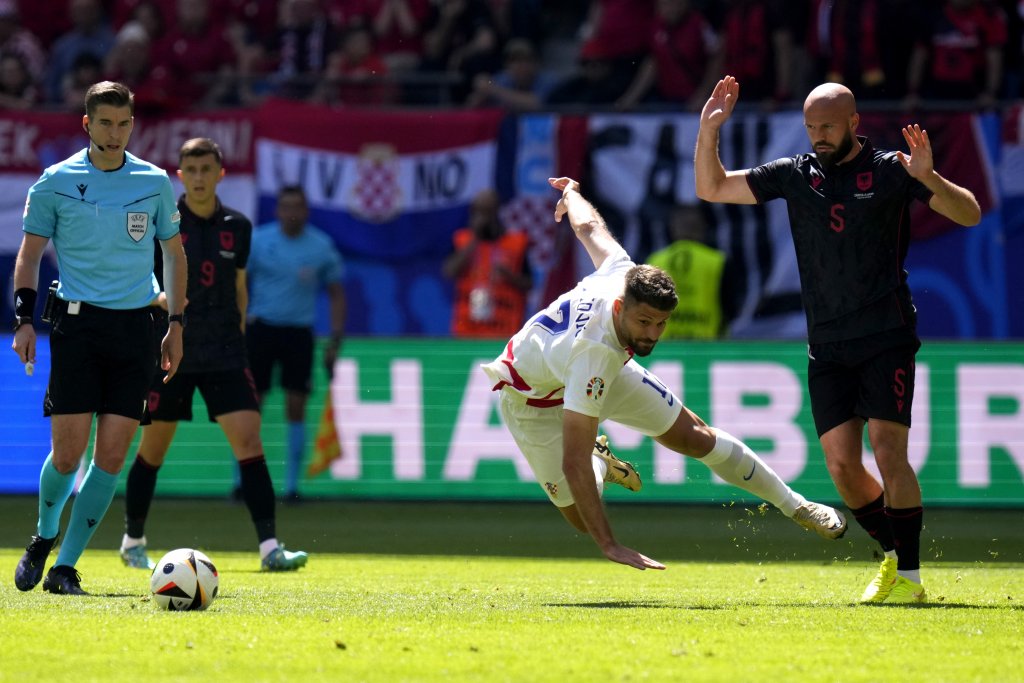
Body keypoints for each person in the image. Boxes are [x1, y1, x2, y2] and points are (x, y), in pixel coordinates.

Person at [694, 75, 982, 602]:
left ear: (854, 122)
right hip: (827, 344)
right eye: (810, 127)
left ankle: (911, 579)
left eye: (827, 126)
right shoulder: (794, 174)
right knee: (843, 468)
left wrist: (930, 178)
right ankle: (894, 555)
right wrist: (709, 130)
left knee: (888, 451)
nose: (818, 136)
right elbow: (711, 188)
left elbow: (969, 213)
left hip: (886, 334)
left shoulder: (892, 169)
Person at [480, 176, 848, 572]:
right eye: (644, 322)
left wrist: (571, 195)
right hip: (532, 401)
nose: (652, 335)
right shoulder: (593, 355)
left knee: (695, 436)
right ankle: (600, 461)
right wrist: (610, 545)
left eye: (661, 323)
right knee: (581, 518)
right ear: (619, 307)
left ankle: (798, 506)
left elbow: (588, 226)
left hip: (585, 369)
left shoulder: (622, 271)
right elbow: (573, 461)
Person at [11, 81, 187, 595]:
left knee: (110, 458)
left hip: (136, 329)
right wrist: (24, 319)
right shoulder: (55, 181)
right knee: (68, 456)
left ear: (133, 124)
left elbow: (174, 254)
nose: (115, 133)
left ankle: (65, 567)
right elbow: (29, 255)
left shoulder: (153, 181)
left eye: (124, 123)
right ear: (87, 124)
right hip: (77, 327)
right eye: (106, 123)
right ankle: (44, 535)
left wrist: (176, 324)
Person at [119, 138, 309, 573]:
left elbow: (239, 288)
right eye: (191, 170)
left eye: (207, 169)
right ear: (180, 175)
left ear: (220, 174)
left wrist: (238, 339)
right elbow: (144, 284)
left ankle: (270, 548)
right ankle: (133, 541)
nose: (199, 177)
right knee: (152, 451)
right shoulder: (161, 222)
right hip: (172, 351)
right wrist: (160, 309)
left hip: (225, 352)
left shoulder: (238, 227)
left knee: (250, 443)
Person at [246, 185, 346, 501]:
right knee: (251, 407)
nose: (291, 212)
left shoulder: (320, 246)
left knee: (296, 406)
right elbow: (238, 284)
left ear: (306, 211)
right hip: (261, 329)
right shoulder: (259, 241)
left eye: (297, 206)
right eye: (286, 206)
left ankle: (291, 487)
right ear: (277, 210)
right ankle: (242, 482)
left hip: (299, 333)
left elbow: (336, 293)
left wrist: (335, 338)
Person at [442, 188, 532, 338]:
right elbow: (449, 271)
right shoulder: (462, 240)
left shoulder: (516, 242)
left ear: (497, 212)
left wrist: (509, 275)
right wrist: (475, 238)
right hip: (467, 329)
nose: (483, 218)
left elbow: (529, 284)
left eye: (487, 212)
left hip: (504, 329)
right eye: (478, 212)